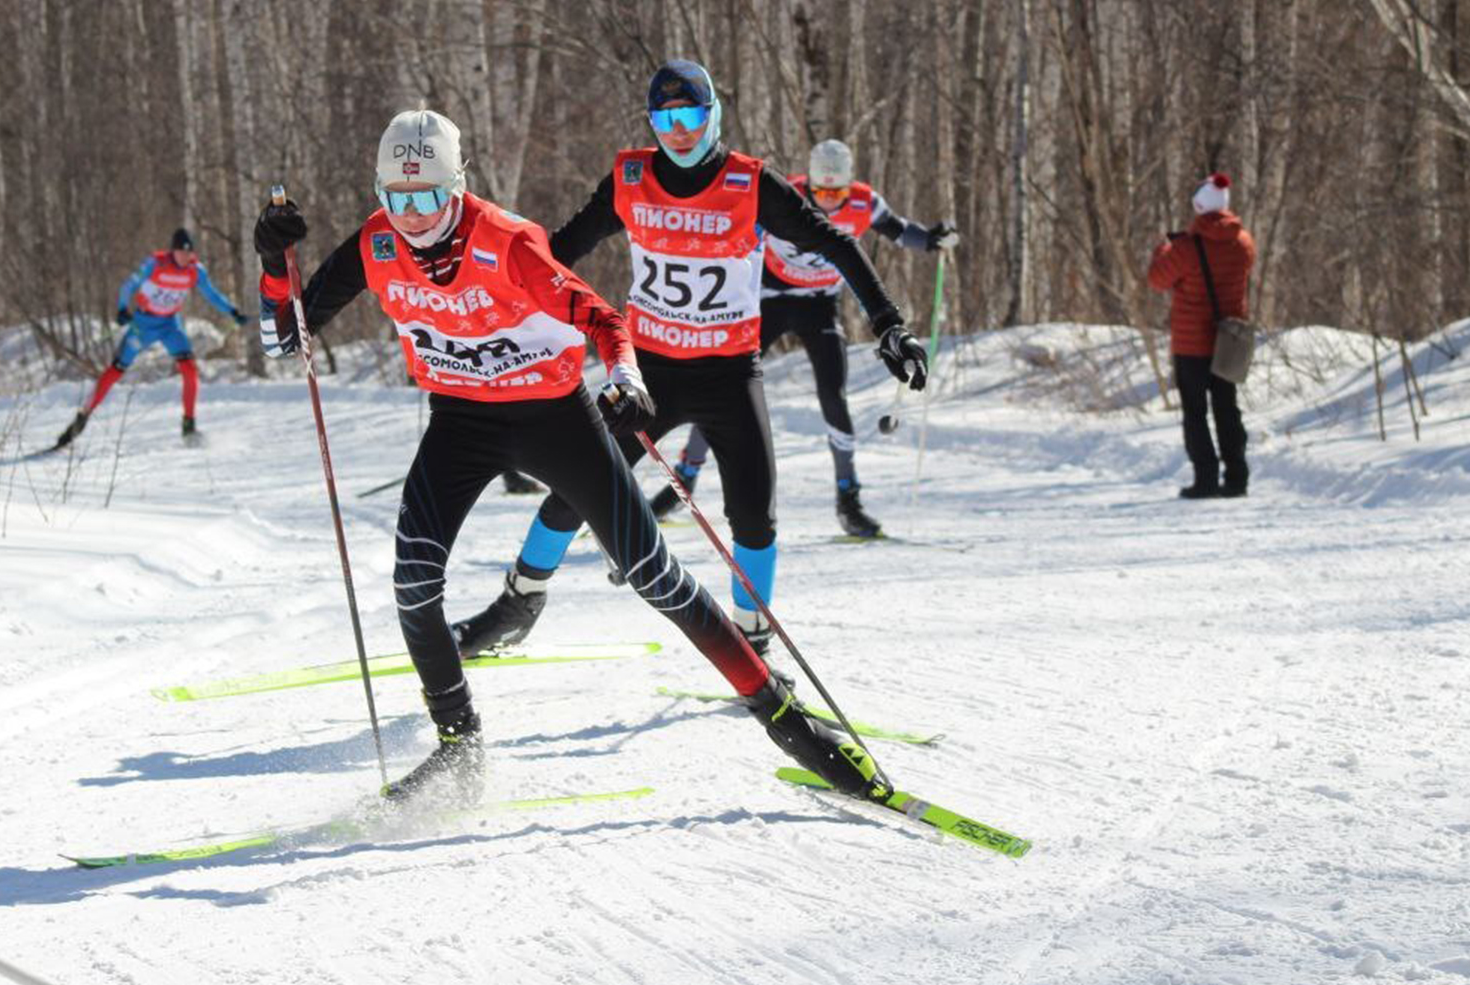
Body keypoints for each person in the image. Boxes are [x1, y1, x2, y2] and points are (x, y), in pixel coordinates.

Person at [253, 108, 890, 806]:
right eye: (395, 198)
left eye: (427, 196)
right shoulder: (376, 246)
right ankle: (459, 748)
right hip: (460, 422)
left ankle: (792, 727)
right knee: (412, 584)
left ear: (457, 186)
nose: (410, 214)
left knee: (657, 578)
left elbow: (604, 321)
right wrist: (274, 269)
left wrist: (626, 380)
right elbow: (288, 341)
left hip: (553, 419)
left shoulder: (509, 244)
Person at [451, 60, 927, 659]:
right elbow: (562, 253)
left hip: (729, 374)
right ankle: (515, 607)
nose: (677, 129)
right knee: (575, 488)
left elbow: (838, 243)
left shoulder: (750, 183)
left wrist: (888, 325)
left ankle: (754, 642)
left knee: (754, 513)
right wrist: (489, 312)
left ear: (713, 115)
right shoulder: (630, 177)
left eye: (691, 114)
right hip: (646, 373)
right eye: (665, 116)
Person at [647, 138, 959, 538]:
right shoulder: (786, 193)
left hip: (819, 305)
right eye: (821, 192)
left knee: (834, 394)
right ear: (809, 184)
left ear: (849, 186)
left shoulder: (864, 202)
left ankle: (849, 499)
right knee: (724, 387)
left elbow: (899, 232)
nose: (828, 201)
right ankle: (683, 481)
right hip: (770, 299)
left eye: (837, 193)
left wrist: (933, 238)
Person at [53, 228, 246, 448]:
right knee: (116, 370)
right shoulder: (155, 264)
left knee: (189, 369)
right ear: (172, 251)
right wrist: (122, 309)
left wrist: (233, 311)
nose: (185, 257)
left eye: (189, 253)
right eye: (181, 252)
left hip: (170, 325)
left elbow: (212, 294)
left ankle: (189, 427)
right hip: (143, 325)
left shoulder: (195, 271)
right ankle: (82, 418)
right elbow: (128, 286)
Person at [1148, 173, 1254, 498]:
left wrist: (1164, 249)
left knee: (1195, 412)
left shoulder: (1186, 248)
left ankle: (1205, 478)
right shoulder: (1243, 242)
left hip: (1192, 342)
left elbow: (1157, 279)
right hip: (1229, 340)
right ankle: (1236, 477)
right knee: (1227, 408)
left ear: (1199, 205)